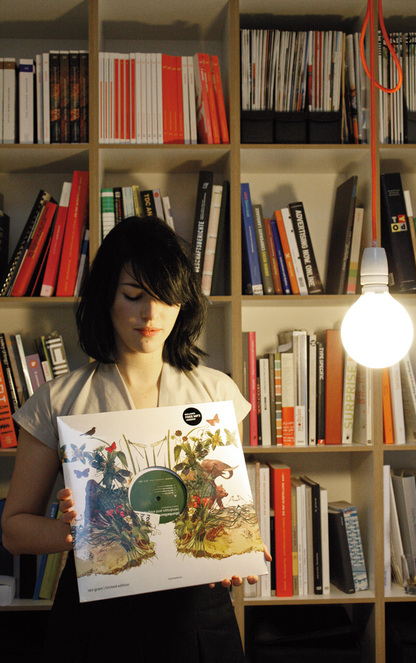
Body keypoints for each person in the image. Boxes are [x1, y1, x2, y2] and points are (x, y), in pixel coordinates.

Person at [2, 216, 268, 663]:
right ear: (107, 297)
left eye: (165, 297)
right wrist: (80, 529)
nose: (150, 314)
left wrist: (236, 549)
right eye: (134, 295)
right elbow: (14, 530)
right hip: (96, 617)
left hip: (195, 614)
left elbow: (220, 509)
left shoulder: (216, 392)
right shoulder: (59, 399)